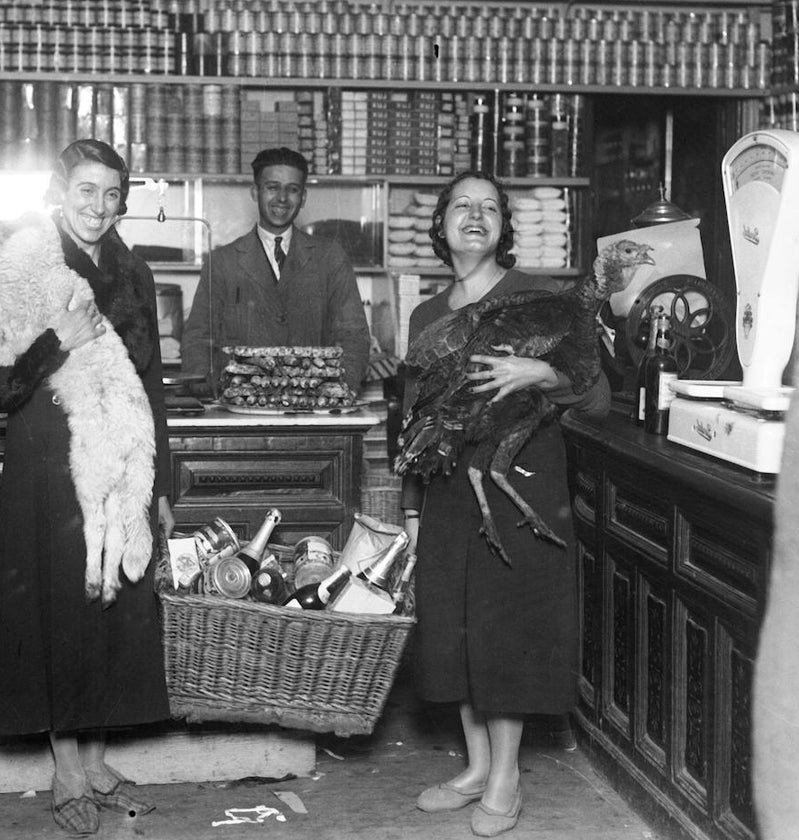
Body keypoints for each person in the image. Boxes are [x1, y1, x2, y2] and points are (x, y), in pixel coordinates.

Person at [0, 139, 174, 836]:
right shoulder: (27, 263)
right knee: (63, 607)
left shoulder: (134, 271)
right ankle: (65, 768)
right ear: (60, 192)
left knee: (112, 608)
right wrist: (57, 338)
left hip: (120, 459)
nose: (99, 206)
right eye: (86, 191)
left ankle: (96, 761)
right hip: (50, 459)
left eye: (112, 194)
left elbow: (151, 384)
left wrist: (160, 482)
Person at [399, 171, 609, 836]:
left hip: (521, 484)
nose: (476, 216)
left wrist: (541, 373)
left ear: (503, 229)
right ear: (440, 224)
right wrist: (410, 509)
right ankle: (476, 766)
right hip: (448, 491)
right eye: (462, 206)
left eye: (490, 208)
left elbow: (597, 396)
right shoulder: (427, 317)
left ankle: (506, 777)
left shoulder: (537, 299)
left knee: (504, 630)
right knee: (455, 626)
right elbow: (413, 422)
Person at [180, 146, 370, 396]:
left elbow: (353, 336)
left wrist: (336, 393)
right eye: (272, 187)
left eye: (292, 189)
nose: (282, 198)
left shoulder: (330, 257)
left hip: (311, 410)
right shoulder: (223, 261)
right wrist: (208, 396)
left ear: (303, 197)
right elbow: (199, 338)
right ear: (255, 192)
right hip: (239, 408)